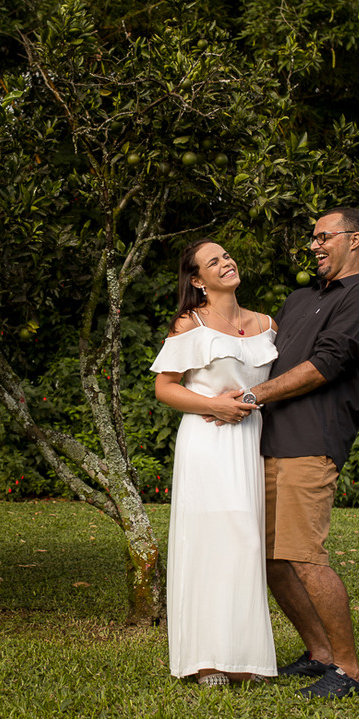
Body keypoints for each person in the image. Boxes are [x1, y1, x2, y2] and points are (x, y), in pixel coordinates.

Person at [247, 206, 359, 699]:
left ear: (354, 240)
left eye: (323, 236)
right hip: (266, 444)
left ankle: (350, 672)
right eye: (312, 238)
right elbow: (260, 352)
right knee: (270, 559)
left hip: (313, 443)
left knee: (305, 557)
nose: (314, 245)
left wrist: (251, 398)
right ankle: (319, 654)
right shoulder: (300, 297)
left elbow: (326, 364)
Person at [150, 239, 276, 687]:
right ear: (198, 281)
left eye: (226, 256)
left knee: (244, 542)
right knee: (210, 541)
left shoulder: (265, 324)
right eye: (213, 261)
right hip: (207, 441)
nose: (226, 263)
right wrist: (214, 405)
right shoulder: (191, 323)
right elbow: (165, 387)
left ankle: (246, 657)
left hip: (251, 443)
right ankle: (206, 661)